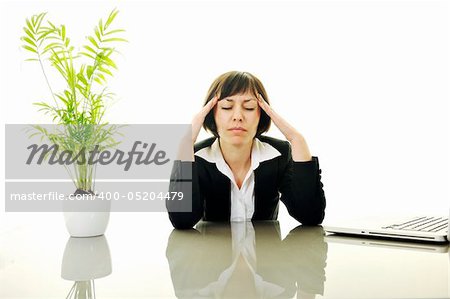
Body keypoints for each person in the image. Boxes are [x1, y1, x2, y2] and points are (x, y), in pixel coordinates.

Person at [167, 71, 326, 229]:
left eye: (249, 107)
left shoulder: (279, 154)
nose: (238, 116)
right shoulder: (197, 157)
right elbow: (182, 221)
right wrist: (186, 142)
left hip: (267, 253)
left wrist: (297, 140)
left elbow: (310, 216)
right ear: (211, 114)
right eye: (227, 107)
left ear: (261, 114)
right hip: (212, 252)